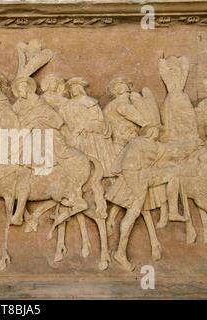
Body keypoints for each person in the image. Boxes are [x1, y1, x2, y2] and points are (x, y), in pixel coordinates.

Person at [113, 125, 183, 271]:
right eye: (156, 129)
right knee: (133, 213)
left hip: (148, 175)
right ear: (150, 131)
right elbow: (127, 166)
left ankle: (173, 212)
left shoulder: (157, 146)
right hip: (136, 179)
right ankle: (120, 253)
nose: (158, 132)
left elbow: (170, 153)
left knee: (174, 173)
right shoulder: (136, 143)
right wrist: (137, 189)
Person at [59, 77, 118, 177]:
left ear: (81, 89)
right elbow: (66, 122)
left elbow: (99, 118)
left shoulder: (90, 101)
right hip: (79, 135)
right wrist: (78, 127)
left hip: (93, 135)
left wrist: (91, 125)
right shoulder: (67, 105)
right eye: (72, 89)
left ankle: (105, 177)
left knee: (99, 156)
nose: (75, 90)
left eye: (77, 87)